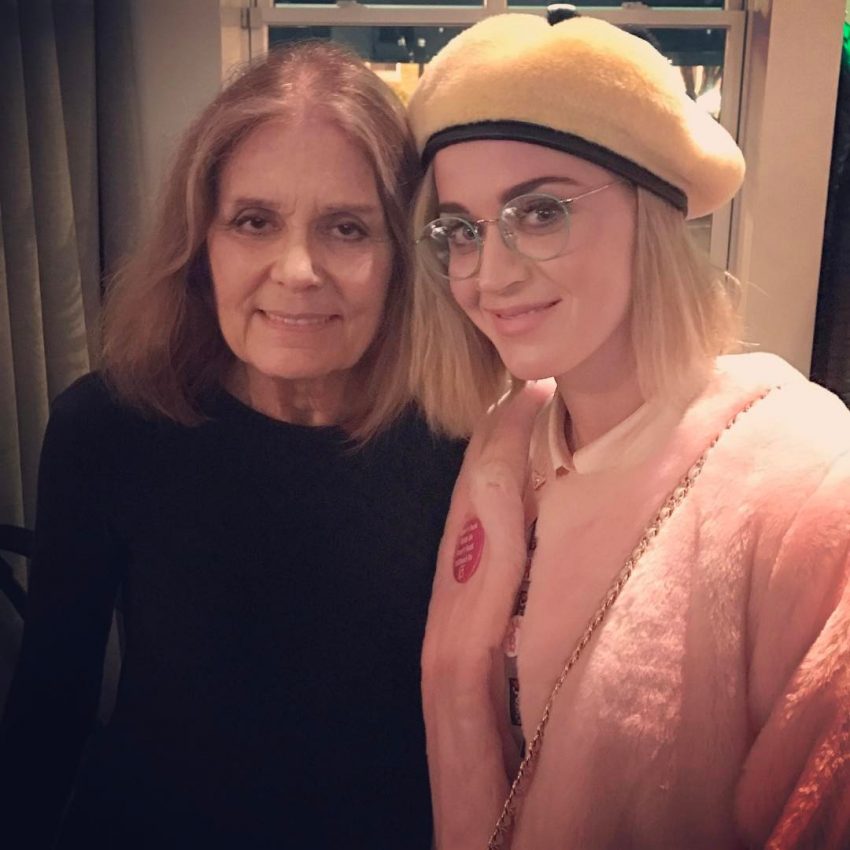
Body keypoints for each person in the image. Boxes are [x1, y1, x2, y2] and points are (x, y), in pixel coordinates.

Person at [0, 41, 464, 849]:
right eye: (255, 221)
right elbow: (49, 709)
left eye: (347, 228)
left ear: (404, 257)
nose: (298, 269)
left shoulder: (465, 446)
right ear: (202, 245)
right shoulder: (107, 429)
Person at [407, 11, 850, 850]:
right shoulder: (503, 449)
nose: (489, 275)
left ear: (654, 214)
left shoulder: (806, 484)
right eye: (462, 230)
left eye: (540, 213)